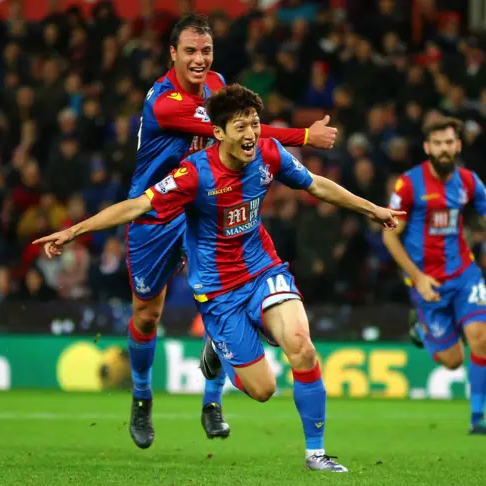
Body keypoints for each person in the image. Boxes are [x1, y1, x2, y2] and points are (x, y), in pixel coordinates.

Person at [34, 84, 404, 471]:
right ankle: (216, 351)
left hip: (263, 269)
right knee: (263, 390)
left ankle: (316, 454)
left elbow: (316, 184)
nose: (251, 134)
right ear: (219, 132)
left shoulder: (269, 153)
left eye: (256, 124)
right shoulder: (194, 174)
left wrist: (371, 209)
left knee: (303, 347)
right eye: (240, 126)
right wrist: (73, 231)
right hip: (218, 291)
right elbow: (138, 205)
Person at [126, 14, 338, 447]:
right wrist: (303, 136)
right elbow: (239, 132)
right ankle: (142, 397)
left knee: (225, 289)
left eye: (206, 51)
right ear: (172, 54)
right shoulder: (165, 102)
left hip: (207, 203)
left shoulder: (217, 83)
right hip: (158, 212)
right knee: (147, 315)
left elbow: (243, 128)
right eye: (190, 51)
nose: (200, 59)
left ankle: (212, 397)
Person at [383, 117, 486, 436]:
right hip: (426, 281)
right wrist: (417, 278)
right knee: (452, 361)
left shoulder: (468, 182)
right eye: (437, 143)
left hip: (464, 274)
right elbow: (390, 236)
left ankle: (478, 419)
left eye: (449, 142)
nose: (444, 149)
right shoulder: (408, 184)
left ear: (458, 145)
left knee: (480, 337)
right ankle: (421, 326)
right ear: (427, 147)